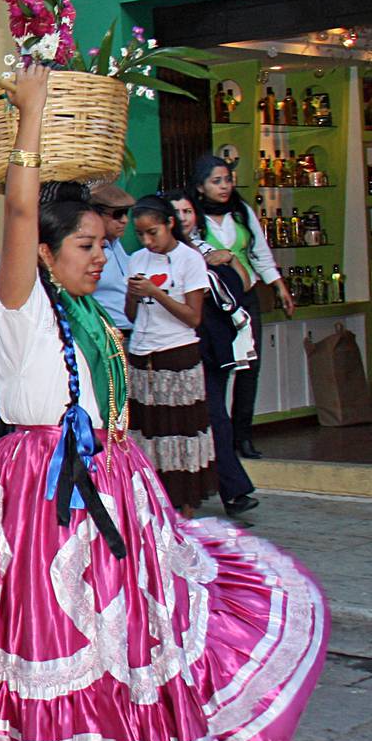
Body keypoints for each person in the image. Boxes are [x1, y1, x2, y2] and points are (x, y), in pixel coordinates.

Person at [0, 63, 327, 741]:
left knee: (120, 633)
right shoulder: (21, 301)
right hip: (44, 487)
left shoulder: (86, 313)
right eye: (89, 245)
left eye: (107, 244)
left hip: (108, 479)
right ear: (46, 252)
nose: (104, 256)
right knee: (36, 635)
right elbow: (24, 206)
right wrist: (31, 114)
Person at [191, 154, 292, 461]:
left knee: (251, 366)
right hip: (215, 300)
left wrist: (279, 285)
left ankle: (242, 436)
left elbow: (260, 253)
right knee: (220, 367)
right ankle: (218, 436)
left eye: (227, 180)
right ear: (200, 187)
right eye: (216, 181)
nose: (224, 186)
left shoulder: (241, 212)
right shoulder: (193, 217)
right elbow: (198, 252)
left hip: (245, 296)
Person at [168, 188, 258, 518]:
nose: (183, 218)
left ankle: (228, 490)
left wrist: (230, 258)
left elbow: (245, 285)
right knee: (211, 418)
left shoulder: (208, 249)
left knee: (215, 416)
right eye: (176, 212)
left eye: (188, 211)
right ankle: (230, 490)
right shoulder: (168, 256)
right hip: (184, 344)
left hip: (216, 344)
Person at [125, 195, 215, 518]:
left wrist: (157, 294)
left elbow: (193, 317)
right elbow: (130, 314)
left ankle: (186, 507)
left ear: (170, 224)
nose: (147, 241)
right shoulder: (136, 259)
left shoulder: (190, 260)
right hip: (141, 353)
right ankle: (151, 503)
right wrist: (134, 296)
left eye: (153, 233)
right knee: (149, 432)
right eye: (141, 234)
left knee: (180, 433)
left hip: (177, 352)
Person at [88, 182, 135, 337]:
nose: (124, 220)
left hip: (134, 333)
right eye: (117, 214)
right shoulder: (88, 251)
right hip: (108, 335)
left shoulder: (116, 244)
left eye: (125, 213)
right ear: (96, 215)